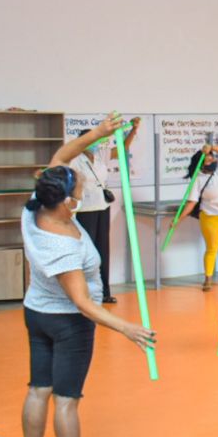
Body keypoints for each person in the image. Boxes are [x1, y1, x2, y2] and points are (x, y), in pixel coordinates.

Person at [19, 116, 157, 437]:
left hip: (37, 313)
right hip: (69, 324)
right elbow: (82, 303)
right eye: (78, 190)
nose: (81, 191)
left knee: (38, 390)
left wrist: (99, 134)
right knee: (65, 400)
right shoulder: (62, 245)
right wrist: (127, 328)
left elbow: (63, 156)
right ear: (67, 202)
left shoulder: (34, 210)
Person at [71, 116, 140, 304]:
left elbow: (123, 148)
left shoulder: (100, 155)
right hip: (85, 209)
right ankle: (85, 293)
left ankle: (104, 292)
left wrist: (133, 130)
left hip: (102, 207)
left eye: (96, 140)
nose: (95, 144)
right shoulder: (75, 160)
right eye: (91, 141)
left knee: (103, 249)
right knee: (88, 251)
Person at [180, 143, 218, 291]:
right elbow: (191, 203)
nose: (212, 160)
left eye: (212, 158)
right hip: (211, 217)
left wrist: (211, 147)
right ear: (201, 165)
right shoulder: (198, 179)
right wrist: (178, 220)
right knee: (212, 249)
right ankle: (208, 279)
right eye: (208, 160)